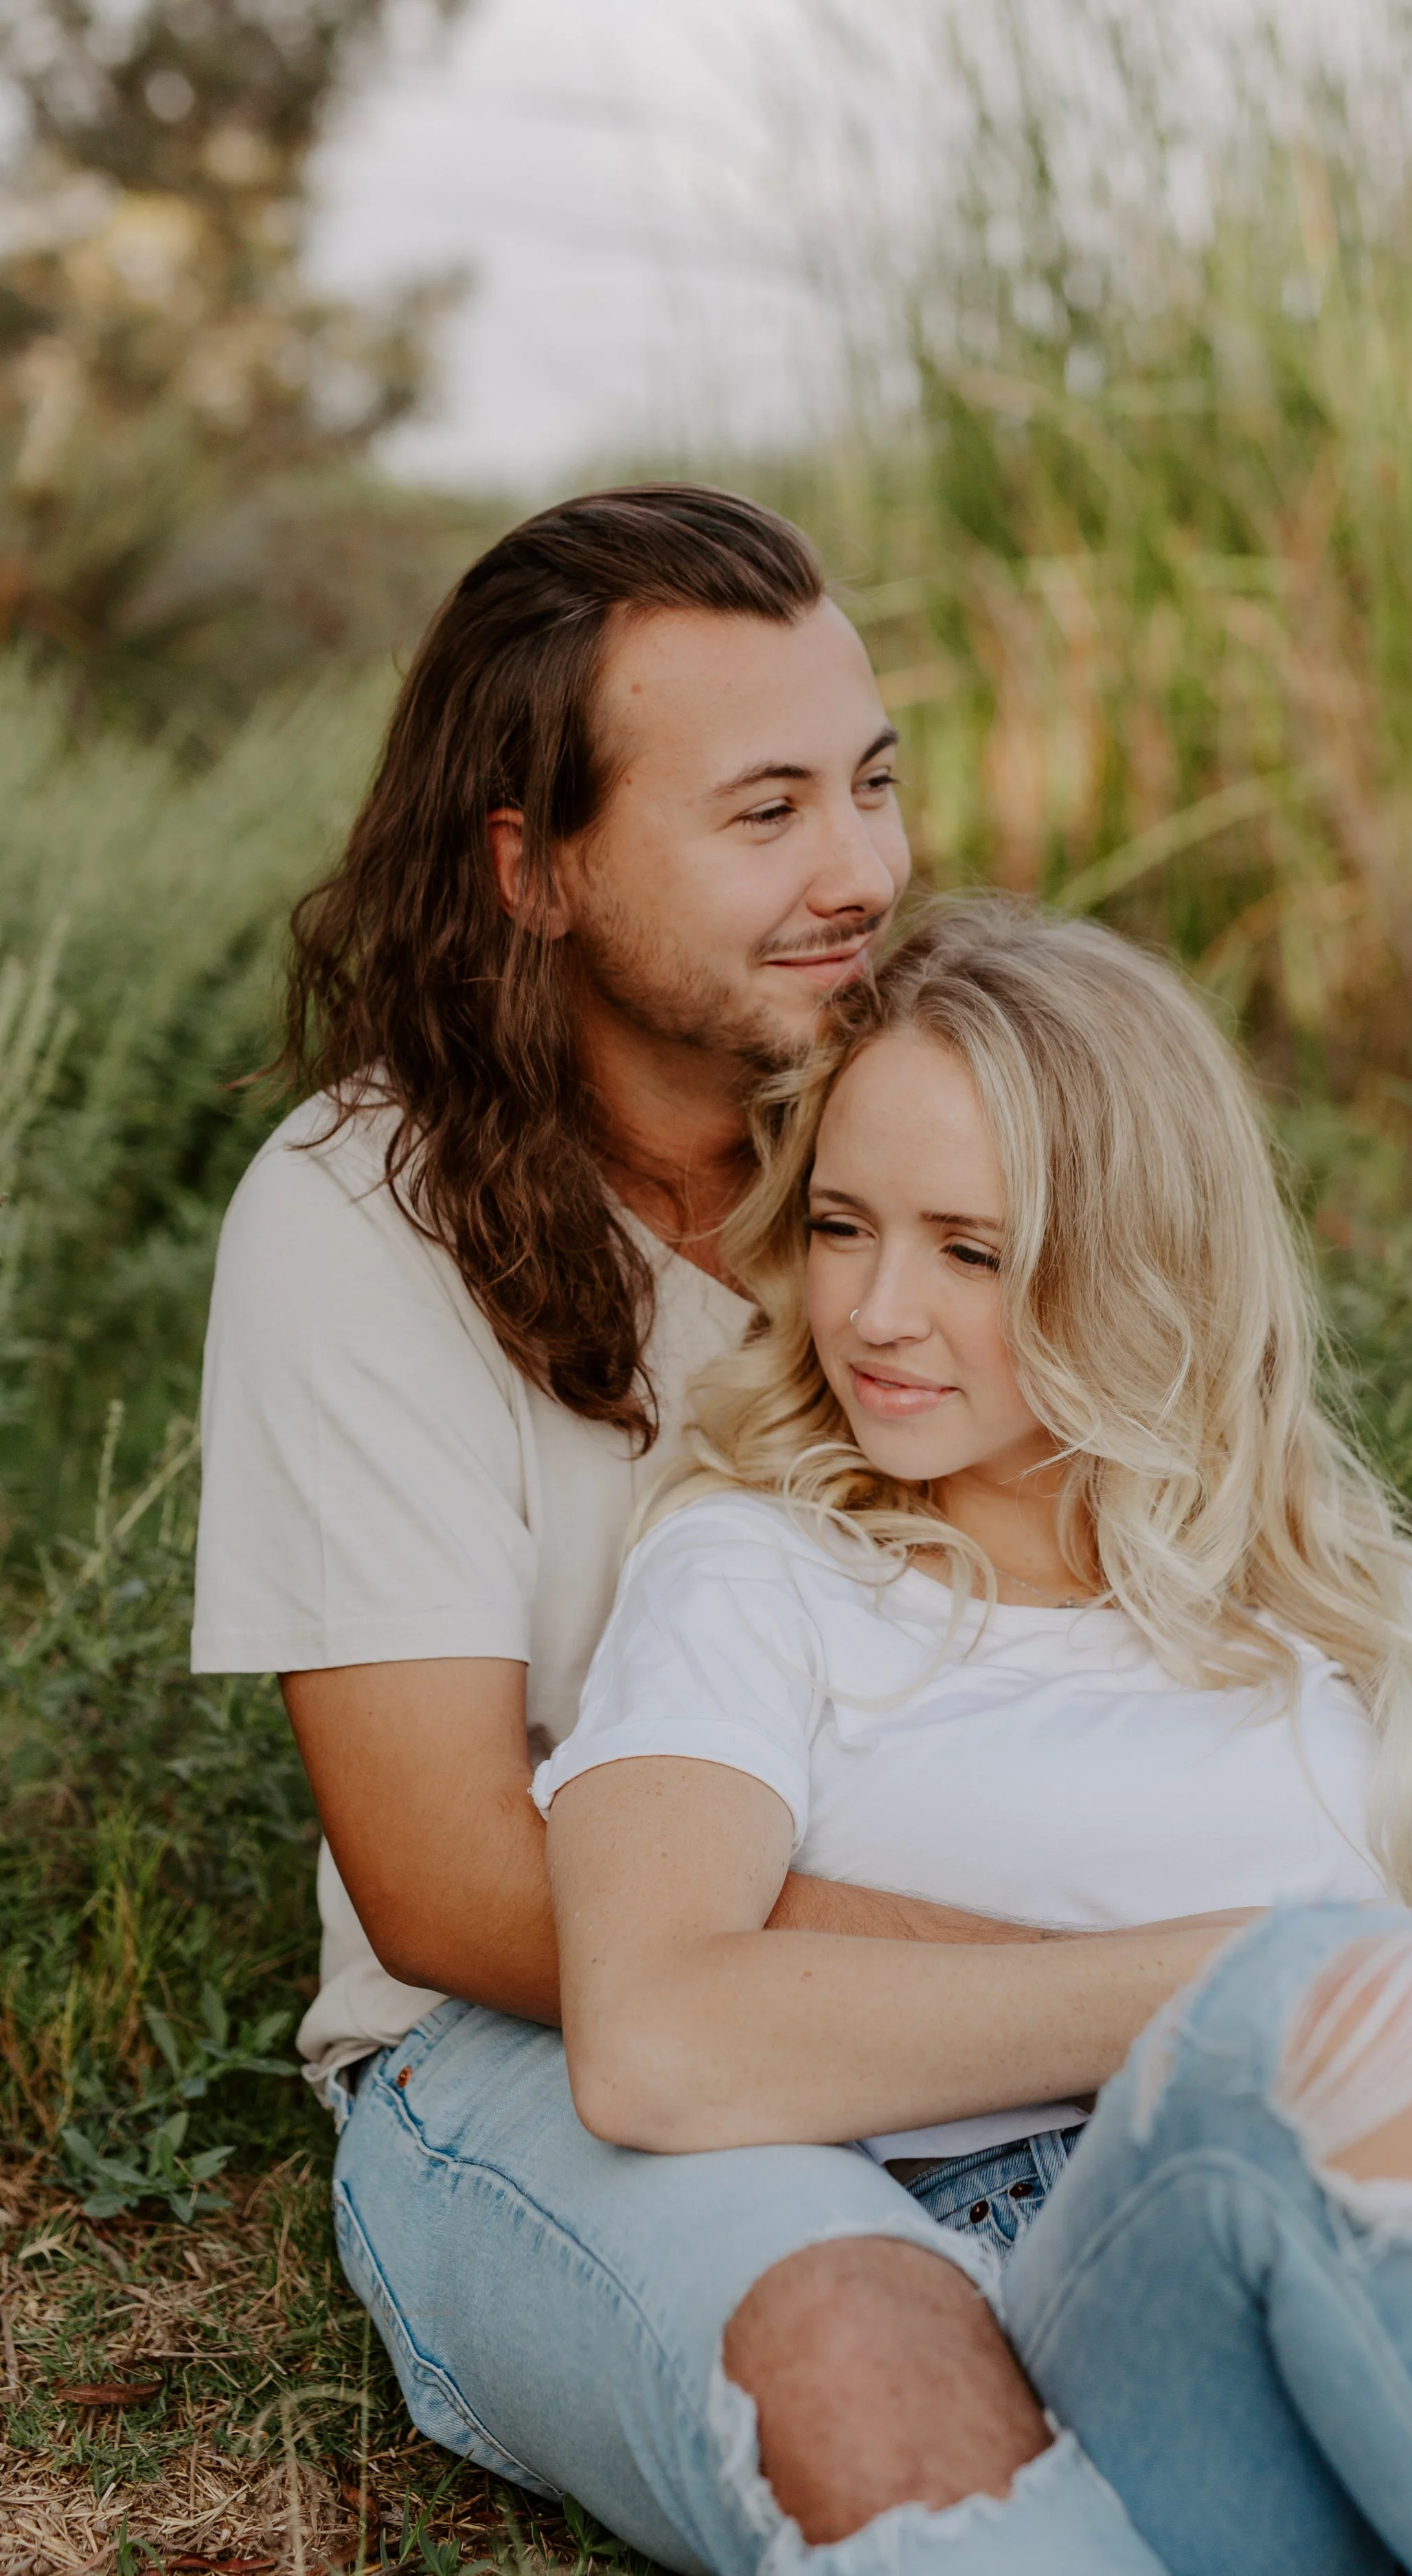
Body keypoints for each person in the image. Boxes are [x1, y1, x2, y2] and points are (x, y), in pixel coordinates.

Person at [193, 486, 1238, 2575]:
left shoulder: (932, 1126)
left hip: (1030, 2002)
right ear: (538, 866)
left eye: (870, 781)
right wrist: (1148, 1979)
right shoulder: (351, 1217)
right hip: (533, 2051)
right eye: (762, 811)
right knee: (881, 2356)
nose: (860, 869)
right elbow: (450, 1879)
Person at [534, 903, 1412, 2574]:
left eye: (967, 1250)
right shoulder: (761, 1570)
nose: (874, 1311)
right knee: (1324, 2003)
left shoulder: (1349, 1600)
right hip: (1112, 2290)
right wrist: (1255, 1964)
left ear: (1138, 1255)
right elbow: (651, 2034)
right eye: (844, 1225)